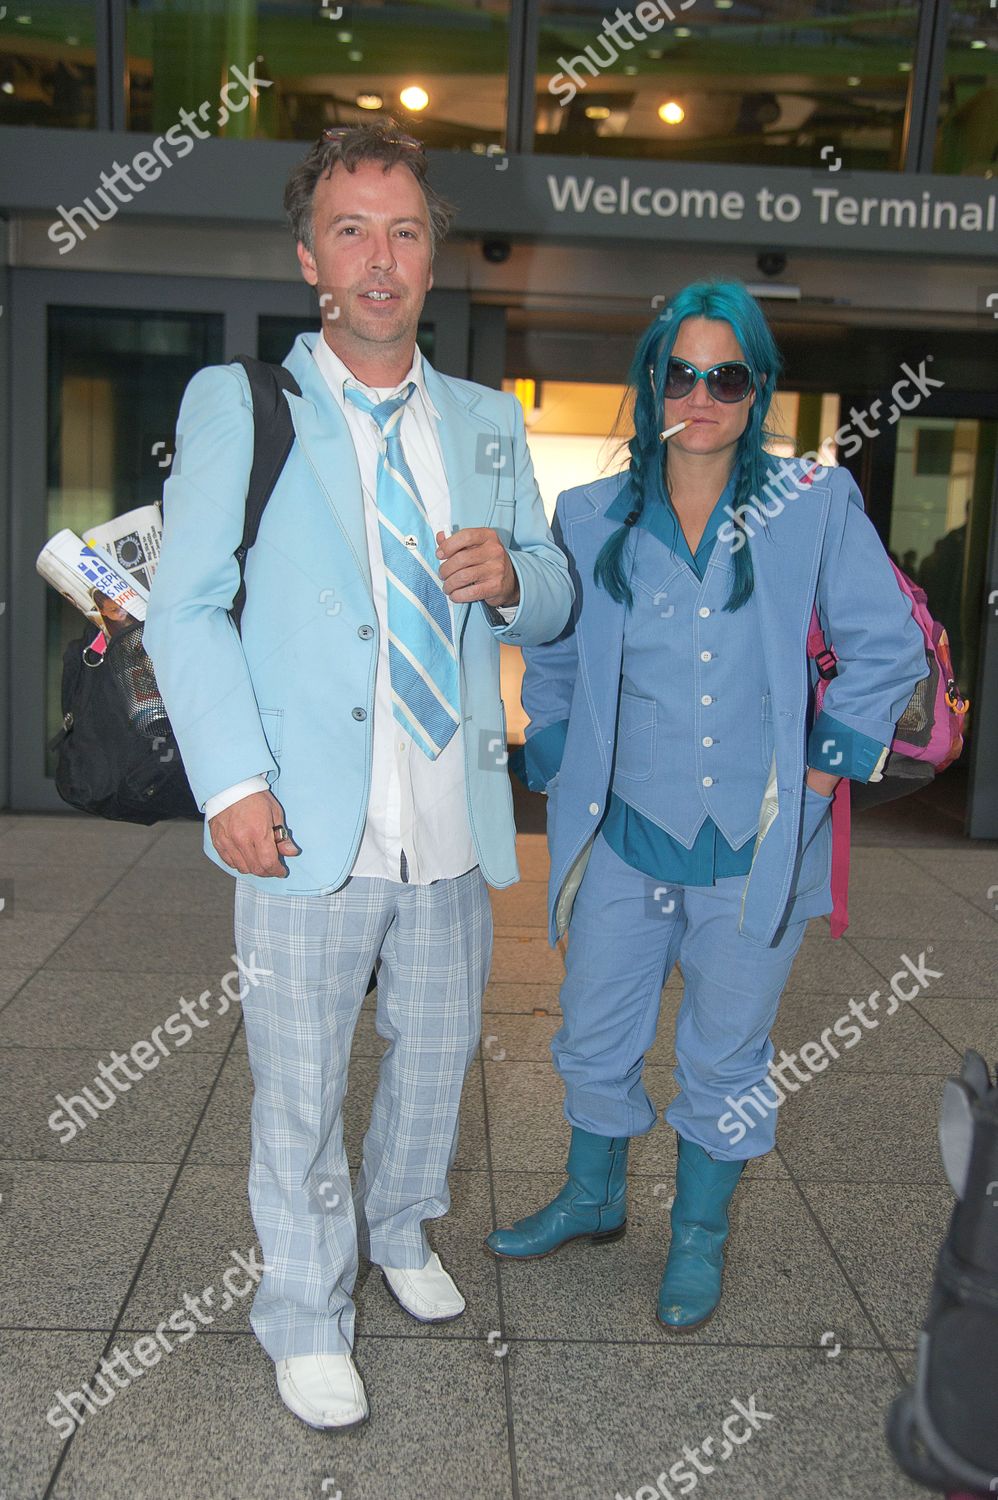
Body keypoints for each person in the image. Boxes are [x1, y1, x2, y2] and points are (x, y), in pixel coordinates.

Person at [143, 120, 572, 1429]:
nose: (378, 259)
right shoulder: (243, 404)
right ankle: (306, 1313)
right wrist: (230, 784)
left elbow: (552, 597)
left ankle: (397, 1230)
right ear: (309, 258)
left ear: (432, 255)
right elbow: (183, 605)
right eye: (350, 231)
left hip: (448, 822)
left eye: (402, 230)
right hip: (302, 823)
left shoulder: (488, 422)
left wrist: (512, 580)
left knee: (435, 1061)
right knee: (300, 1091)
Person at [485, 281, 927, 1331]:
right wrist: (549, 748)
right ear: (650, 380)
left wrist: (821, 771)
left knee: (724, 1050)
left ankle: (696, 1238)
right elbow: (550, 650)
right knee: (592, 1031)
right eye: (678, 371)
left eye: (724, 376)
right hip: (622, 836)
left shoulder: (811, 503)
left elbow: (884, 646)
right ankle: (593, 1199)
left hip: (753, 843)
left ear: (756, 388)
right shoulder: (587, 512)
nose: (699, 393)